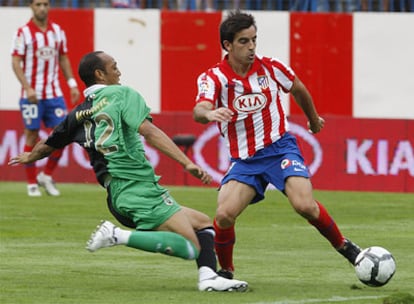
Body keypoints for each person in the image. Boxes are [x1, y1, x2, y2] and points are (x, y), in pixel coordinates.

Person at [9, 51, 248, 292]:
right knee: (190, 246)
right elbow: (150, 132)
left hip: (118, 194)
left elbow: (49, 144)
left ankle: (208, 277)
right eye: (114, 67)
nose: (119, 71)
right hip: (136, 188)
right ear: (100, 74)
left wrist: (30, 156)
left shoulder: (79, 112)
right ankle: (116, 235)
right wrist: (186, 162)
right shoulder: (123, 94)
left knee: (203, 223)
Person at [193, 11, 362, 280]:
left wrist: (313, 119)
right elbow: (199, 109)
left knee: (304, 205)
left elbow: (298, 88)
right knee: (224, 215)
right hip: (245, 161)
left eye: (254, 40)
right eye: (244, 41)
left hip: (280, 148)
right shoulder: (214, 78)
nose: (251, 47)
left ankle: (346, 247)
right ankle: (225, 272)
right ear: (227, 45)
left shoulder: (271, 68)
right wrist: (210, 114)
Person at [11, 0, 80, 197]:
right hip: (31, 94)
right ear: (31, 7)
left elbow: (63, 58)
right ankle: (32, 183)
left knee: (62, 134)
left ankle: (46, 175)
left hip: (54, 93)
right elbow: (15, 62)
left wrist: (72, 84)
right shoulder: (22, 33)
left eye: (45, 4)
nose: (42, 8)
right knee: (31, 135)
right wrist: (27, 87)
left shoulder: (58, 31)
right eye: (38, 4)